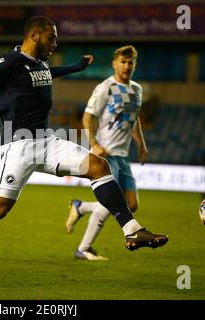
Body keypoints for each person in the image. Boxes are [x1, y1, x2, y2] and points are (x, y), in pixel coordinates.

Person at [0, 16, 168, 286]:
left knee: (98, 166)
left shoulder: (39, 63)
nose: (55, 44)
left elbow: (48, 73)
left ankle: (132, 230)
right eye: (52, 38)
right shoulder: (8, 62)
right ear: (34, 35)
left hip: (48, 142)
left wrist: (74, 67)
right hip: (18, 146)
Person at [65, 45, 148, 261]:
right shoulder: (106, 88)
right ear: (114, 63)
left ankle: (80, 207)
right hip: (107, 154)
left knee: (131, 205)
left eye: (130, 62)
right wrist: (94, 143)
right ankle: (84, 248)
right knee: (111, 204)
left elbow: (134, 118)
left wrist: (141, 144)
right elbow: (88, 116)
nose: (127, 66)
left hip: (123, 155)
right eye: (123, 61)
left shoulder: (137, 90)